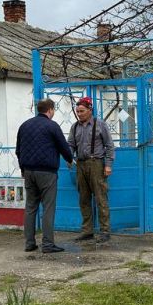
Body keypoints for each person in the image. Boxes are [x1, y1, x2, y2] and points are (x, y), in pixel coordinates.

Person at [15, 98, 73, 253]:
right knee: (48, 207)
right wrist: (70, 159)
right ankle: (47, 244)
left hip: (28, 172)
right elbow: (63, 147)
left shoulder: (24, 126)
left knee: (30, 207)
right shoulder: (52, 126)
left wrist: (23, 169)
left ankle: (29, 243)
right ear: (50, 110)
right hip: (47, 173)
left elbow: (18, 150)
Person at [67, 96, 115, 243]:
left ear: (89, 110)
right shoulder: (75, 127)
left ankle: (105, 231)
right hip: (80, 165)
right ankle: (87, 231)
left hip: (97, 164)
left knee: (101, 198)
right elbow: (70, 144)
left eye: (82, 111)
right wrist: (69, 157)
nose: (79, 114)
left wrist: (108, 165)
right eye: (77, 111)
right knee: (84, 199)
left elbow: (109, 146)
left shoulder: (100, 125)